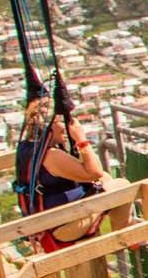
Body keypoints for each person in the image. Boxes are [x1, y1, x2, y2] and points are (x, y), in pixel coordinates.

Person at [14, 97, 109, 252]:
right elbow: (94, 172)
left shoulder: (28, 148)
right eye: (61, 121)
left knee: (106, 178)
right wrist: (81, 139)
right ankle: (127, 234)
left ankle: (128, 233)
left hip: (50, 226)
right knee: (121, 186)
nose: (66, 125)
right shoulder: (50, 155)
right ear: (49, 126)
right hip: (63, 228)